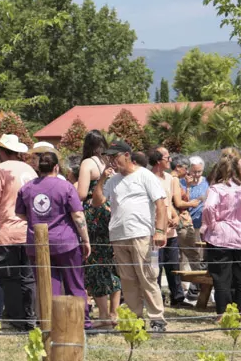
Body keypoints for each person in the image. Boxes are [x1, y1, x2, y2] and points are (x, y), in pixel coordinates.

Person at [103, 142, 171, 330]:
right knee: (127, 280)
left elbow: (160, 205)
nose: (112, 160)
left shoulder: (145, 175)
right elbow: (98, 201)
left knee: (147, 277)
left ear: (127, 155)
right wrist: (101, 178)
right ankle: (136, 319)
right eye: (109, 157)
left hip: (142, 234)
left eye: (114, 156)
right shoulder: (112, 180)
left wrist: (160, 231)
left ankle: (157, 319)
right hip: (118, 235)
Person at [18, 143, 89, 300]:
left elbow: (20, 214)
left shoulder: (26, 188)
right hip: (66, 243)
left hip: (38, 243)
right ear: (56, 167)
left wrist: (37, 218)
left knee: (48, 289)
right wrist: (85, 240)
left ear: (39, 168)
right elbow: (78, 215)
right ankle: (81, 316)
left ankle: (51, 316)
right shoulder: (66, 187)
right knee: (75, 286)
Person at [201, 153, 241, 320]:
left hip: (222, 236)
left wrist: (211, 224)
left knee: (221, 277)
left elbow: (208, 207)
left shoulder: (217, 189)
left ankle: (223, 313)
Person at [0, 133, 36, 330]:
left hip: (7, 230)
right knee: (28, 277)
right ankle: (31, 316)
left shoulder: (0, 169)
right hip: (29, 230)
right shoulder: (29, 169)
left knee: (9, 277)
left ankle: (16, 319)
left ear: (2, 151)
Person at [76, 131, 120, 327]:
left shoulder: (88, 164)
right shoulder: (110, 163)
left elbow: (81, 194)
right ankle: (114, 313)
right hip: (111, 212)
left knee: (96, 264)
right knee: (112, 264)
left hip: (94, 215)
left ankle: (103, 314)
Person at [147, 146, 184, 306]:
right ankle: (157, 299)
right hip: (156, 231)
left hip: (171, 232)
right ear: (158, 160)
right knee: (156, 266)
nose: (170, 160)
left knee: (173, 265)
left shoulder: (170, 178)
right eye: (167, 158)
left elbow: (169, 202)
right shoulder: (147, 178)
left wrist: (176, 217)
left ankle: (178, 297)